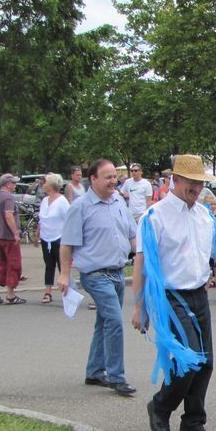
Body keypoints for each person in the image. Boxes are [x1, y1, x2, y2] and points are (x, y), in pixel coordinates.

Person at [132, 154, 216, 431]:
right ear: (174, 180)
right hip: (171, 298)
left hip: (198, 294)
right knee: (189, 360)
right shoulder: (154, 217)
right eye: (190, 182)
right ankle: (160, 407)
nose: (196, 188)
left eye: (199, 183)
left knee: (206, 362)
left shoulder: (204, 216)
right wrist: (138, 306)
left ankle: (193, 423)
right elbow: (141, 262)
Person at [59, 159, 138, 396]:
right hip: (95, 275)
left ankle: (94, 371)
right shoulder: (80, 207)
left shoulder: (118, 203)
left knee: (104, 322)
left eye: (115, 176)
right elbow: (67, 244)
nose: (113, 181)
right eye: (108, 177)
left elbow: (133, 237)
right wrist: (64, 274)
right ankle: (117, 376)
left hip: (117, 273)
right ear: (93, 179)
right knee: (114, 321)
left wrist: (147, 261)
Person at [0, 173, 26, 305]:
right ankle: (10, 294)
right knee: (14, 264)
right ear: (7, 184)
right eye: (14, 183)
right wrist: (15, 233)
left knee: (2, 264)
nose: (15, 185)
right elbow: (8, 215)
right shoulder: (8, 197)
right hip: (9, 237)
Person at [36, 173, 70, 305]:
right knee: (48, 265)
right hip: (46, 238)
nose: (43, 185)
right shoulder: (45, 200)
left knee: (62, 266)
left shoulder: (62, 201)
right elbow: (41, 219)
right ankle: (47, 292)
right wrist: (37, 233)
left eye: (45, 182)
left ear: (52, 185)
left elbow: (69, 220)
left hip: (59, 238)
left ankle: (67, 293)